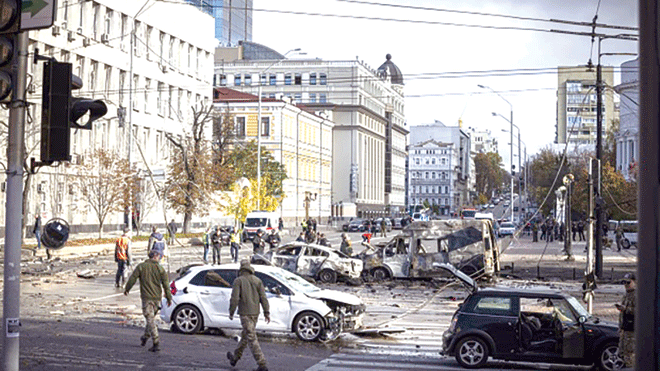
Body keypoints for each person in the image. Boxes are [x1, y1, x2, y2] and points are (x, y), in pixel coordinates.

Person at [124, 250, 172, 352]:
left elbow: (133, 278)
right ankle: (145, 337)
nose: (160, 258)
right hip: (156, 298)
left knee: (150, 320)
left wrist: (127, 289)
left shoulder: (141, 267)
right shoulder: (160, 269)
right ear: (155, 257)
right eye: (159, 256)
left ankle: (156, 341)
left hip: (146, 298)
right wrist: (169, 298)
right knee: (150, 319)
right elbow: (166, 285)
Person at [227, 259, 270, 371]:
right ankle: (235, 358)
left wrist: (231, 311)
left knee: (251, 338)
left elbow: (235, 298)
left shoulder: (238, 281)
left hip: (245, 313)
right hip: (255, 313)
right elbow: (263, 298)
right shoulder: (258, 280)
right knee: (246, 336)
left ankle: (262, 364)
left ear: (241, 269)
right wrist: (266, 312)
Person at [616, 273, 636, 369]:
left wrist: (626, 309)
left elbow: (640, 311)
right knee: (622, 353)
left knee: (630, 354)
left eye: (628, 282)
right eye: (624, 283)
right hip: (625, 329)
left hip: (632, 330)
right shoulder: (626, 295)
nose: (626, 285)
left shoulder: (636, 295)